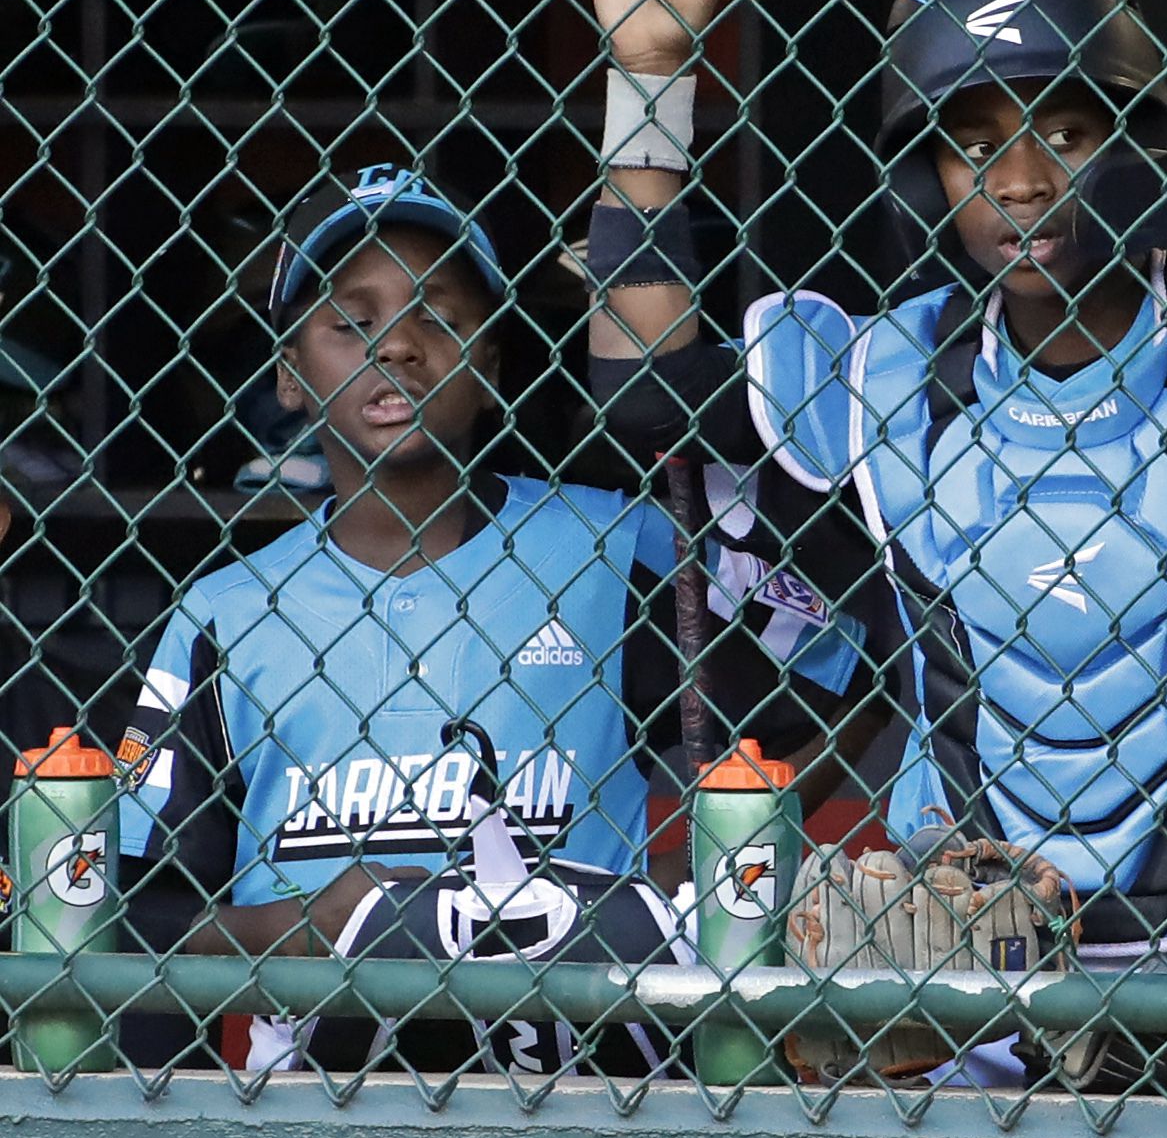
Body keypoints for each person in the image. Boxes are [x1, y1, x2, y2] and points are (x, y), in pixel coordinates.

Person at [570, 0, 1167, 1091]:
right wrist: (649, 69)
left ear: (1141, 142)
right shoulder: (887, 370)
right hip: (975, 997)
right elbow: (642, 386)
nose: (1023, 181)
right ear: (926, 174)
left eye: (1071, 128)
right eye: (972, 140)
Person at [110, 167, 865, 1076]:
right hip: (318, 1102)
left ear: (493, 366)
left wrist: (680, 885)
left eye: (440, 316)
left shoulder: (607, 546)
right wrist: (310, 928)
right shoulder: (225, 615)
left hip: (590, 1068)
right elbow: (141, 915)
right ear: (289, 378)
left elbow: (838, 680)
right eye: (351, 321)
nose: (398, 344)